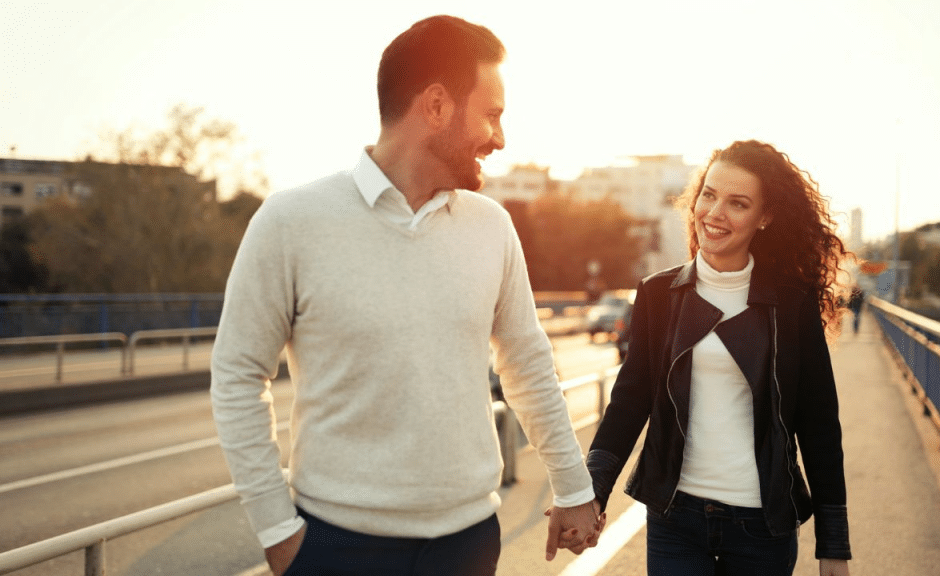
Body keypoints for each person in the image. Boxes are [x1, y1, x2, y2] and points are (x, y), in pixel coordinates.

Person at [210, 15, 601, 576]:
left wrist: (572, 486)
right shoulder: (291, 222)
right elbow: (237, 374)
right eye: (491, 115)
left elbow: (526, 361)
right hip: (337, 548)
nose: (500, 138)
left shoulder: (491, 226)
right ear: (437, 106)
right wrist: (278, 532)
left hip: (467, 546)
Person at [585, 140, 853, 575]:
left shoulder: (791, 303)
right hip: (676, 520)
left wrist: (833, 544)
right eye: (708, 195)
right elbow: (630, 401)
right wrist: (591, 492)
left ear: (765, 217)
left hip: (762, 527)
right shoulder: (658, 294)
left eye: (738, 203)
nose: (715, 212)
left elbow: (819, 422)